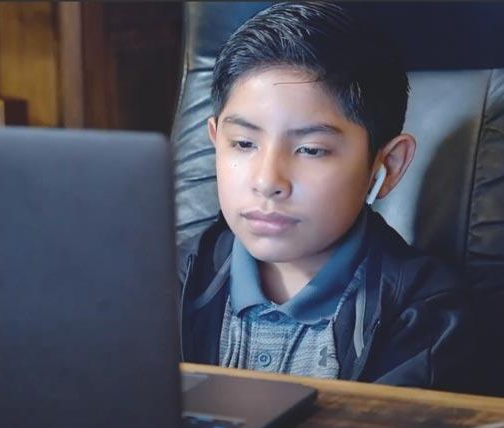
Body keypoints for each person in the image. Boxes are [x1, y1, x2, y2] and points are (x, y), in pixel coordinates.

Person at [177, 1, 473, 390]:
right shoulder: (169, 280)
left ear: (387, 165)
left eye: (311, 150)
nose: (268, 181)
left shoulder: (423, 312)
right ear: (216, 141)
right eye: (244, 143)